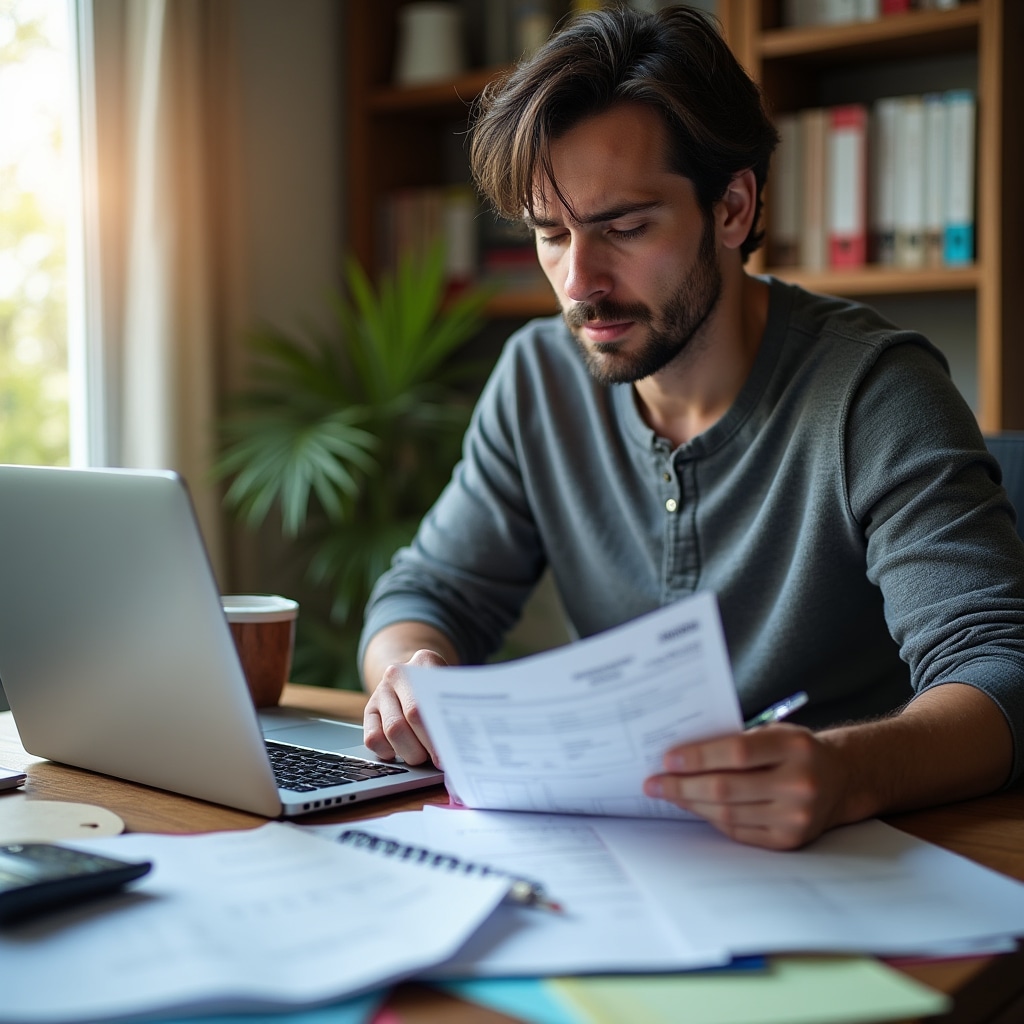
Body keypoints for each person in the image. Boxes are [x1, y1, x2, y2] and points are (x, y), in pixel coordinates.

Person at [357, 4, 1024, 850]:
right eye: (551, 234)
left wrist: (847, 772)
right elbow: (426, 596)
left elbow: (1001, 672)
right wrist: (409, 674)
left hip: (854, 856)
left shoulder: (876, 392)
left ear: (733, 208)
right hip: (620, 853)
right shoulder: (539, 378)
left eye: (625, 228)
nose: (579, 282)